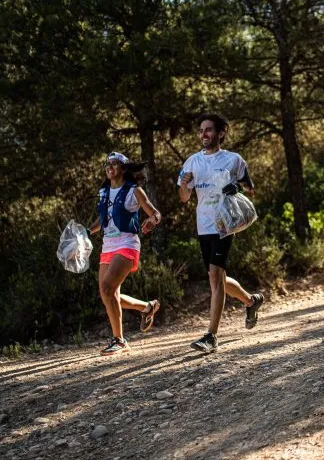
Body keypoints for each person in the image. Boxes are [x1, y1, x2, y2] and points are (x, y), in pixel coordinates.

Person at [177, 112, 264, 353]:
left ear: (220, 133)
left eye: (208, 130)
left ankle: (211, 336)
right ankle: (251, 300)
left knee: (215, 275)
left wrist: (237, 187)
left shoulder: (234, 160)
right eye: (201, 130)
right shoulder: (192, 162)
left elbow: (251, 190)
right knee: (219, 279)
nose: (203, 134)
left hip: (225, 225)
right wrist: (184, 185)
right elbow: (183, 199)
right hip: (203, 225)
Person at [88, 152, 163, 356]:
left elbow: (155, 213)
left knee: (107, 288)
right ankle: (147, 307)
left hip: (127, 243)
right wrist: (86, 232)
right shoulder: (104, 191)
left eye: (114, 164)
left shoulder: (134, 191)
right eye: (107, 164)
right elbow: (101, 220)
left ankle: (119, 340)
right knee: (108, 294)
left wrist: (151, 221)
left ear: (123, 168)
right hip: (108, 245)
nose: (109, 167)